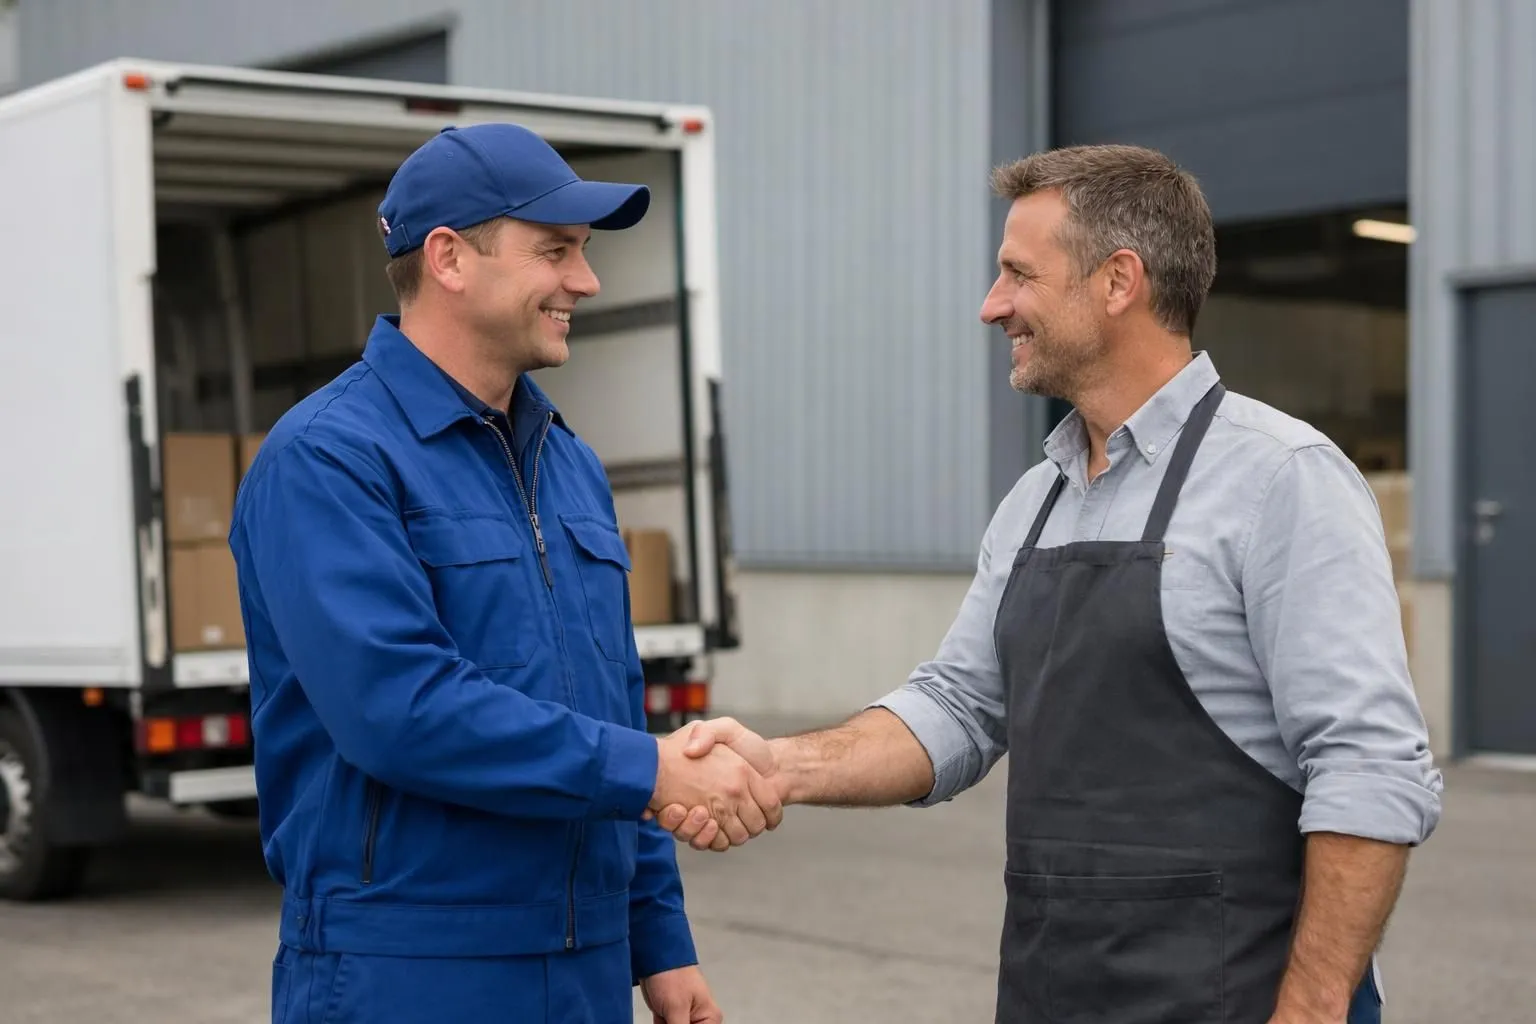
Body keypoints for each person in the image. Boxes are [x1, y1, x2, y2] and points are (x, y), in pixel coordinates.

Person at [656, 144, 1442, 1024]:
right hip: (1054, 991)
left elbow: (1369, 767)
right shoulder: (1038, 498)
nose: (993, 306)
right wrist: (778, 764)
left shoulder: (1281, 479)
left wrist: (1312, 1007)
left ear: (1118, 282)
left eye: (1018, 276)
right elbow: (958, 706)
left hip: (1236, 997)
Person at [229, 122, 781, 1024]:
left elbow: (610, 702)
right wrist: (652, 771)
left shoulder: (570, 464)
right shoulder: (329, 460)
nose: (586, 281)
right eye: (554, 250)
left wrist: (658, 938)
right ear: (447, 257)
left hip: (585, 967)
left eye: (584, 252)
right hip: (410, 970)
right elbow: (398, 710)